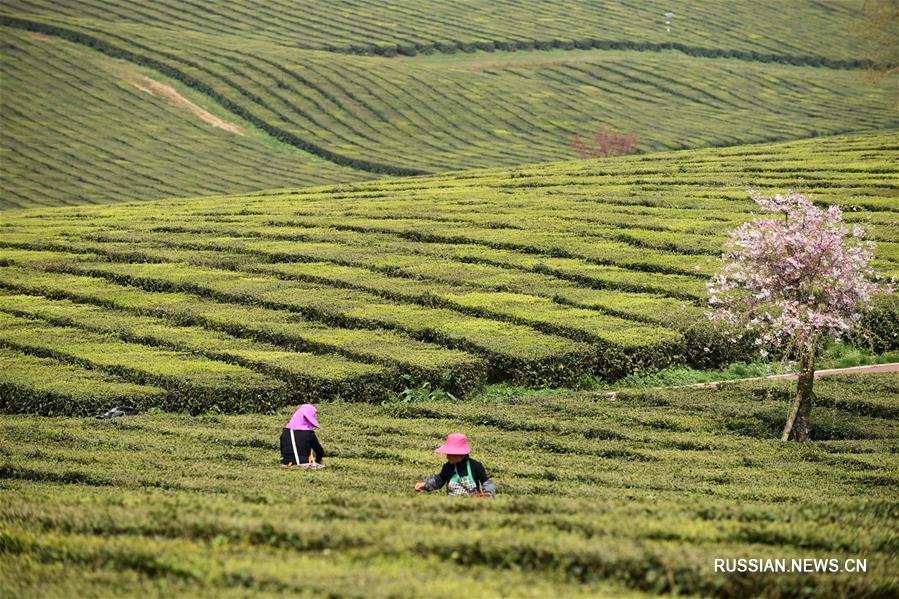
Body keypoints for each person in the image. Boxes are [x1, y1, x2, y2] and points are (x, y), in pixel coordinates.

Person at [414, 433, 496, 497]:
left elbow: (486, 482)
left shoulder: (475, 466)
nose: (447, 457)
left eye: (450, 454)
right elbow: (438, 481)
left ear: (460, 455)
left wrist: (488, 493)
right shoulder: (448, 467)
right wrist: (425, 485)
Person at [280, 403, 325, 468]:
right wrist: (318, 460)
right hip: (304, 464)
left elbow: (282, 449)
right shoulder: (309, 433)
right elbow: (319, 451)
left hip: (285, 464)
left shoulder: (285, 431)